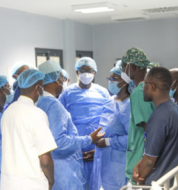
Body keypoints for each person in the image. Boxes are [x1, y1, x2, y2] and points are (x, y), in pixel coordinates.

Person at [38, 60, 105, 190]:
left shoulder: (39, 103)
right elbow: (59, 142)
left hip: (50, 169)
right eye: (62, 78)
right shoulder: (54, 105)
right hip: (64, 172)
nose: (63, 82)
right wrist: (89, 139)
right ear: (55, 79)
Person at [0, 69, 57, 190]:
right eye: (42, 87)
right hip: (31, 184)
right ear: (37, 88)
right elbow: (45, 159)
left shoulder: (8, 112)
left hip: (8, 183)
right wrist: (51, 180)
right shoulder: (37, 114)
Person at [59, 57, 111, 188]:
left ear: (95, 73)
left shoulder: (103, 93)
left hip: (97, 148)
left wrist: (98, 149)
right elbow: (61, 124)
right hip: (76, 148)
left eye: (90, 70)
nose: (86, 73)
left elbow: (109, 121)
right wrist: (75, 150)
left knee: (96, 184)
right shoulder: (67, 93)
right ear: (77, 72)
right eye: (83, 70)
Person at [133, 67, 178, 185]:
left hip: (158, 182)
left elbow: (149, 161)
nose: (143, 88)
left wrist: (139, 179)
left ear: (152, 86)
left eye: (145, 84)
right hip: (171, 181)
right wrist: (140, 164)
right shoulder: (174, 110)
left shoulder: (159, 117)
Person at [90, 63, 130, 190]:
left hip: (118, 165)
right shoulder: (110, 101)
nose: (110, 82)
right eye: (109, 79)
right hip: (102, 159)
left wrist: (108, 142)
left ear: (124, 81)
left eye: (114, 79)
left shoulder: (129, 105)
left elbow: (133, 139)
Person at [121, 47, 155, 183]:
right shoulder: (145, 89)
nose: (122, 71)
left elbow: (149, 130)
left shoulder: (139, 93)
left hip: (140, 164)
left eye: (124, 67)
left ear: (133, 67)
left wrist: (145, 164)